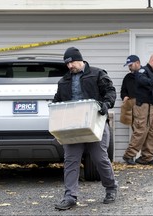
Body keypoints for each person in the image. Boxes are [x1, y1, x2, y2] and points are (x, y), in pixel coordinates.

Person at [53, 47, 118, 210]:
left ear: (79, 59)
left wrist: (106, 104)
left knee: (99, 158)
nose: (69, 67)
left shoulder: (97, 74)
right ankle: (70, 197)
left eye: (71, 63)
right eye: (66, 64)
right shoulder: (63, 81)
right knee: (71, 160)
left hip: (95, 123)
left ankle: (111, 188)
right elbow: (57, 101)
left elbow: (110, 91)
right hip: (72, 126)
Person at [122, 53, 153, 165]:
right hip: (145, 106)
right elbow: (141, 80)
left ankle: (146, 157)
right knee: (141, 130)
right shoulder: (142, 71)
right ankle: (129, 155)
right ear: (152, 60)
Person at [120, 55, 141, 125]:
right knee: (135, 130)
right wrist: (124, 96)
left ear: (137, 63)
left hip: (144, 106)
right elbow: (123, 91)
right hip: (131, 108)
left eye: (131, 65)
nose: (129, 67)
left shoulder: (145, 74)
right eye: (128, 66)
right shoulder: (127, 77)